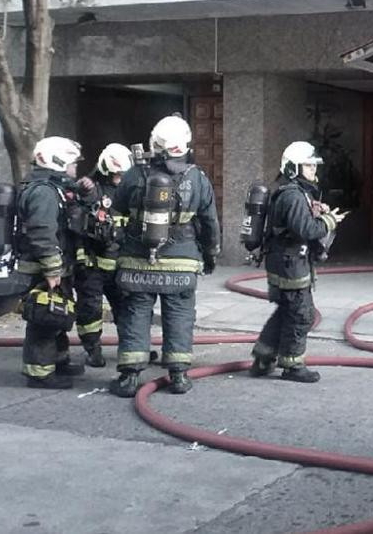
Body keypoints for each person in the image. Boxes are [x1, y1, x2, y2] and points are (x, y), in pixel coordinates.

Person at [108, 116, 220, 397]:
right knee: (180, 316)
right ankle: (179, 376)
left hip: (137, 260)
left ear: (154, 144)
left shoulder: (134, 175)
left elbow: (116, 214)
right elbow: (210, 223)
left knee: (135, 315)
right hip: (182, 262)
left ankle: (130, 377)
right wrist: (210, 254)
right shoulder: (198, 178)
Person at [250, 141, 345, 383]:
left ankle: (263, 356)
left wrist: (318, 212)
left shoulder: (294, 193)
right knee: (302, 314)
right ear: (293, 168)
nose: (314, 169)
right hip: (290, 263)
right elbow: (306, 229)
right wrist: (329, 221)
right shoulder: (292, 195)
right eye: (308, 165)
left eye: (314, 165)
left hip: (286, 261)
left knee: (286, 310)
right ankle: (292, 365)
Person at [14, 136, 84, 389]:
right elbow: (42, 232)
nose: (75, 168)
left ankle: (59, 362)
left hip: (52, 266)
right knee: (44, 319)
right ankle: (40, 373)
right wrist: (53, 268)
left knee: (57, 315)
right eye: (72, 163)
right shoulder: (44, 192)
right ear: (58, 161)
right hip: (41, 269)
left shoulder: (49, 188)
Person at [72, 143, 133, 368]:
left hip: (121, 265)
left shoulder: (129, 192)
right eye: (117, 174)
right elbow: (77, 226)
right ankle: (92, 349)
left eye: (123, 174)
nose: (120, 178)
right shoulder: (91, 190)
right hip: (93, 265)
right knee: (90, 309)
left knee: (127, 309)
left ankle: (131, 348)